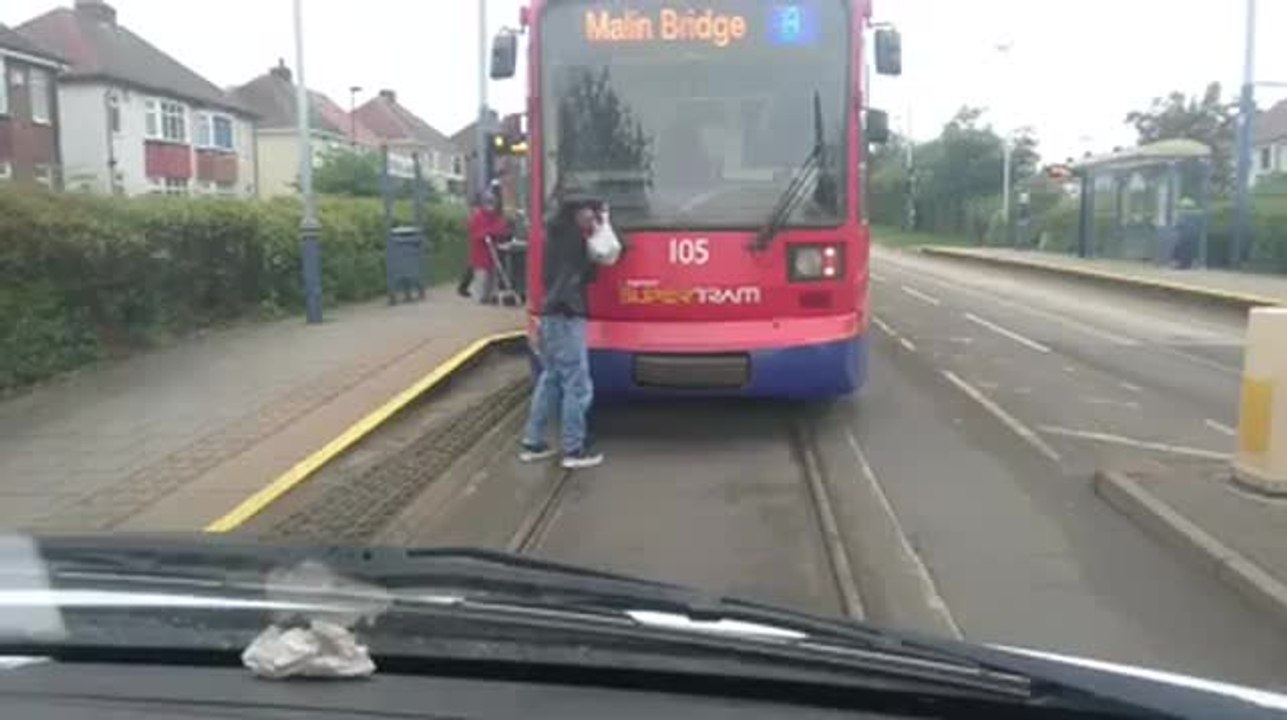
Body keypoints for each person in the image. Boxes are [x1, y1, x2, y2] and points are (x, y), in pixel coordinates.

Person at [519, 189, 604, 469]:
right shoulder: (574, 241)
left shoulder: (553, 235)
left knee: (551, 378)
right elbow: (588, 274)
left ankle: (533, 441)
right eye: (589, 210)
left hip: (550, 315)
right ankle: (573, 449)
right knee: (577, 384)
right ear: (576, 213)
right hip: (567, 315)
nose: (592, 215)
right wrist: (598, 240)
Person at [466, 190, 511, 304]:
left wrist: (492, 233)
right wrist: (488, 233)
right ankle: (480, 299)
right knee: (481, 278)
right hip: (480, 254)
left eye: (492, 202)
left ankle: (490, 297)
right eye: (488, 202)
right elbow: (476, 233)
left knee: (492, 277)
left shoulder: (495, 217)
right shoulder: (477, 217)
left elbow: (502, 229)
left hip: (493, 253)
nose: (490, 205)